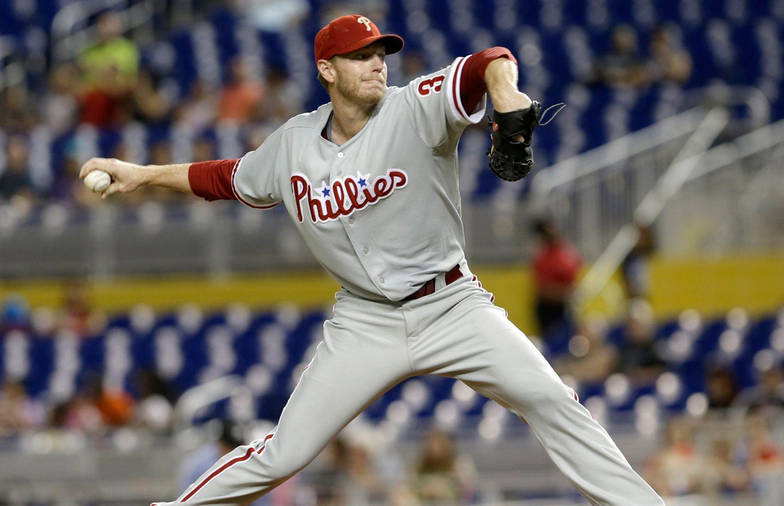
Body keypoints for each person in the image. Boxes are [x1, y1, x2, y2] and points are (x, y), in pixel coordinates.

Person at [79, 15, 662, 505]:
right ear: (327, 70)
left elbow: (490, 60)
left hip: (452, 304)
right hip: (366, 320)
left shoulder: (416, 108)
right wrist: (143, 174)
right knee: (284, 453)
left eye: (380, 53)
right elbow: (225, 177)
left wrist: (505, 93)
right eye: (360, 56)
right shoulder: (293, 144)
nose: (377, 64)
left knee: (552, 400)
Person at [531, 218, 582, 352]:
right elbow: (544, 290)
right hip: (549, 309)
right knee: (551, 344)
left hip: (563, 307)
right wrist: (566, 293)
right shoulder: (543, 257)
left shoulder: (565, 252)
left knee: (569, 342)